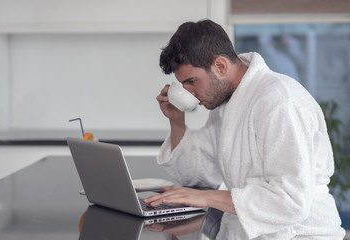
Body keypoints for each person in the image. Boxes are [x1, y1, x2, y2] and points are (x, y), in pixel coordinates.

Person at [144, 19, 346, 239]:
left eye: (192, 81)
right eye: (183, 85)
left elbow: (291, 201)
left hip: (299, 234)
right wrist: (177, 122)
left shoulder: (280, 101)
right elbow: (198, 174)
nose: (189, 93)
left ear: (220, 66)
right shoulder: (227, 103)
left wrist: (206, 198)